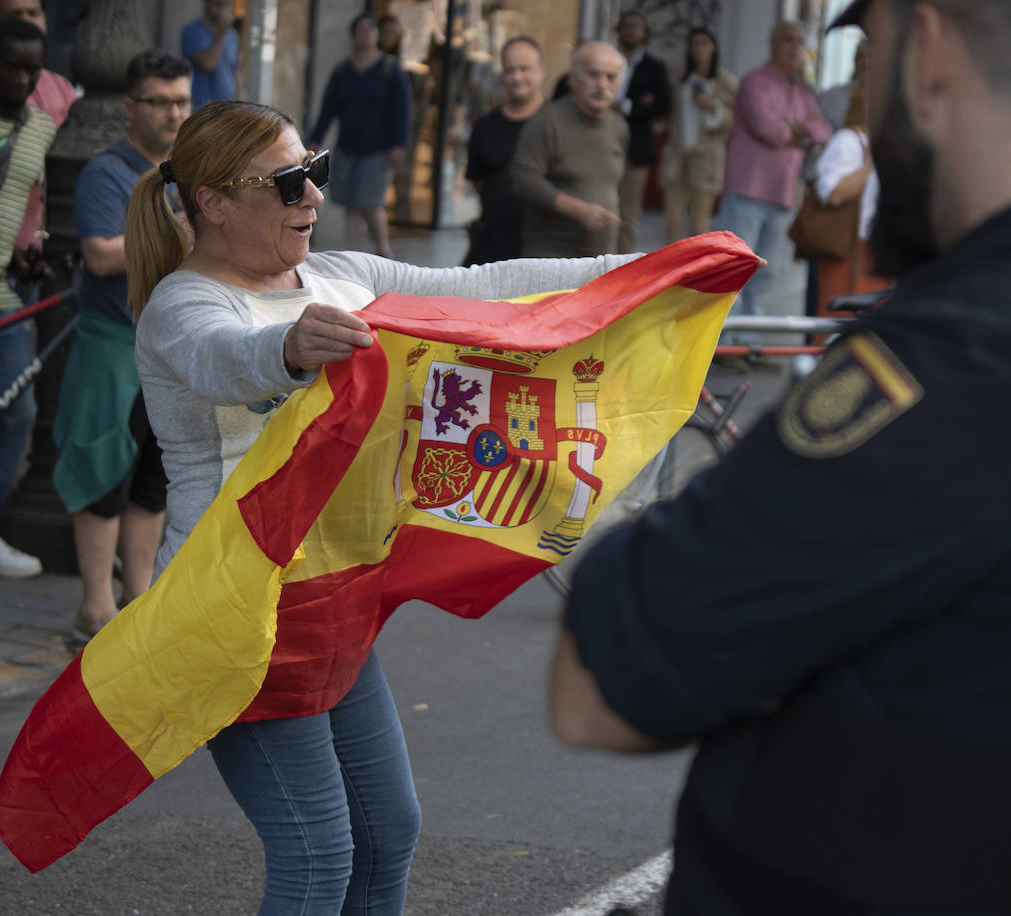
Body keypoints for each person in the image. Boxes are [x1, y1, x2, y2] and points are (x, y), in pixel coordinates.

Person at [548, 0, 1011, 912]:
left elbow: (595, 684)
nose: (869, 100)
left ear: (932, 49)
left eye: (874, 56)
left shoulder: (971, 360)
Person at [123, 98, 640, 913]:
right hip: (231, 614)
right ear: (215, 202)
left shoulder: (339, 276)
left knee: (389, 829)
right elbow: (222, 359)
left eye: (316, 171)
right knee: (317, 853)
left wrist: (646, 269)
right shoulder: (183, 306)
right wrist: (286, 348)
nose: (314, 197)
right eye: (291, 181)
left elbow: (484, 288)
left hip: (330, 593)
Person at [52, 49, 188, 639]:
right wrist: (179, 232)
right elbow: (101, 254)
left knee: (152, 482)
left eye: (183, 100)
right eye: (160, 102)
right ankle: (95, 610)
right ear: (130, 106)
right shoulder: (106, 171)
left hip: (167, 344)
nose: (174, 113)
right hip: (111, 344)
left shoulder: (191, 169)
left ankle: (139, 605)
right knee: (103, 473)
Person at [0, 17, 56, 579]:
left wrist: (31, 251)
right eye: (12, 66)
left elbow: (32, 204)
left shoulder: (42, 128)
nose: (23, 78)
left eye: (34, 68)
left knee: (15, 413)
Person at [716, 22, 831, 347]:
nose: (795, 47)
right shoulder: (754, 82)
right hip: (748, 190)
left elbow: (824, 131)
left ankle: (749, 345)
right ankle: (725, 344)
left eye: (799, 41)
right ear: (772, 44)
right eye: (788, 40)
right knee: (734, 271)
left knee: (765, 276)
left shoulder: (803, 92)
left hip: (782, 195)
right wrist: (799, 130)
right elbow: (768, 129)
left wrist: (796, 128)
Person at [0, 0, 77, 303]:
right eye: (15, 14)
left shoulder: (56, 97)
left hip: (13, 275)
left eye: (33, 12)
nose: (21, 80)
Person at [308, 11, 413, 260]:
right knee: (351, 204)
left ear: (377, 35)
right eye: (360, 29)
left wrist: (400, 143)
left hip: (378, 150)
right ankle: (356, 258)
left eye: (370, 28)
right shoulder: (343, 70)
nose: (365, 33)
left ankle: (383, 251)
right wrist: (315, 138)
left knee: (371, 203)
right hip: (347, 148)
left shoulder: (390, 68)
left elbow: (403, 110)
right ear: (354, 35)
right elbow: (328, 108)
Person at [511, 42, 628, 258]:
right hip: (551, 258)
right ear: (574, 78)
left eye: (610, 77)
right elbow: (523, 179)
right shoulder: (548, 122)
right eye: (594, 74)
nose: (602, 84)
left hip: (602, 260)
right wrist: (577, 209)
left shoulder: (619, 126)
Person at [808, 84, 890, 325]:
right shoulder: (848, 141)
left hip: (876, 249)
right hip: (848, 249)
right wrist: (866, 166)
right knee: (837, 324)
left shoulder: (883, 140)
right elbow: (831, 193)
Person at [464, 35, 545, 265]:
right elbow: (478, 182)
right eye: (510, 70)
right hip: (493, 247)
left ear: (541, 71)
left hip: (542, 250)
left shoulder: (558, 123)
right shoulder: (485, 126)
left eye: (525, 69)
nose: (517, 77)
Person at [658, 25, 736, 244]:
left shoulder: (725, 82)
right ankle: (669, 272)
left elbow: (735, 120)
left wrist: (714, 107)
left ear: (714, 47)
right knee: (672, 220)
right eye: (695, 43)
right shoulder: (681, 81)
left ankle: (698, 274)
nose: (699, 48)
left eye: (705, 43)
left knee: (699, 224)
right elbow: (669, 118)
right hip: (678, 154)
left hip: (707, 157)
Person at [613, 10, 671, 254]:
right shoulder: (608, 59)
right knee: (598, 206)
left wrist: (625, 105)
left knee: (627, 214)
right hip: (601, 144)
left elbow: (662, 105)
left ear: (645, 32)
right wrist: (640, 103)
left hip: (636, 148)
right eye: (626, 25)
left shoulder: (654, 67)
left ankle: (620, 268)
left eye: (636, 26)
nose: (631, 30)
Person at [181, 0, 238, 107]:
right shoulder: (191, 31)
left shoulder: (233, 35)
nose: (223, 10)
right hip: (200, 106)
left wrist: (239, 103)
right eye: (218, 4)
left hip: (226, 107)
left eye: (227, 5)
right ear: (207, 3)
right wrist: (221, 32)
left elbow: (234, 70)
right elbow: (208, 64)